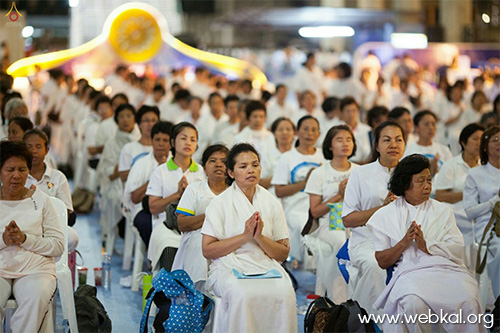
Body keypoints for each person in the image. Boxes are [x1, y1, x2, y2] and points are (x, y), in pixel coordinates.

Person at [368, 154, 484, 333]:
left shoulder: (443, 211)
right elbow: (382, 261)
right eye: (420, 181)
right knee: (413, 302)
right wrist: (404, 242)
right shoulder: (385, 215)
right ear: (405, 183)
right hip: (409, 273)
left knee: (469, 297)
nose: (427, 185)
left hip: (446, 270)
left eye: (429, 180)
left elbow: (459, 251)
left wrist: (427, 245)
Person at [201, 143, 297, 332]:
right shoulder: (219, 203)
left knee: (285, 292)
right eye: (243, 167)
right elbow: (208, 250)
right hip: (228, 265)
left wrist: (259, 237)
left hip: (266, 264)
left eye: (255, 165)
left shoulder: (271, 202)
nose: (250, 170)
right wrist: (245, 236)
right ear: (231, 173)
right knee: (243, 294)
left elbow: (282, 253)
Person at [342, 120, 405, 315]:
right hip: (368, 240)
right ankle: (370, 321)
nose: (393, 145)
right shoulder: (360, 174)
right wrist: (382, 208)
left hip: (404, 239)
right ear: (376, 145)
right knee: (374, 265)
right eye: (387, 140)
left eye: (398, 140)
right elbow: (348, 220)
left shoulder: (411, 174)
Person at [0, 140, 64, 332]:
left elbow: (58, 245)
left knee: (35, 298)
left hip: (35, 270)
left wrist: (25, 239)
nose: (16, 176)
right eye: (10, 169)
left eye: (22, 169)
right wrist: (4, 240)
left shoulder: (41, 200)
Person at [304, 125, 359, 303]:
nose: (345, 144)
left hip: (357, 222)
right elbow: (315, 211)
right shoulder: (319, 173)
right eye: (339, 140)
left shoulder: (360, 171)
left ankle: (362, 296)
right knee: (344, 244)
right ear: (329, 146)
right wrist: (339, 196)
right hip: (330, 224)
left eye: (349, 139)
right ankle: (341, 300)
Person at [146, 122, 206, 272]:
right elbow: (153, 208)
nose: (188, 143)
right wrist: (177, 195)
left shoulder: (201, 172)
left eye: (193, 139)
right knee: (169, 246)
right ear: (173, 142)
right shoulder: (161, 171)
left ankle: (197, 291)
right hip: (165, 224)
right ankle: (169, 292)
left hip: (195, 224)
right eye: (183, 138)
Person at [172, 144, 229, 290]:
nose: (218, 165)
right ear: (204, 168)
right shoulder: (194, 189)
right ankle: (199, 295)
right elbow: (182, 224)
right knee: (201, 243)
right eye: (212, 161)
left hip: (228, 239)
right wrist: (211, 215)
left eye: (224, 161)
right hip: (198, 238)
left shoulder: (236, 192)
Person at [272, 115, 324, 261]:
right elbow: (279, 191)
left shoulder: (324, 157)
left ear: (319, 134)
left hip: (322, 207)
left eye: (314, 130)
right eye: (305, 129)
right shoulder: (287, 157)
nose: (309, 133)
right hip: (296, 208)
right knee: (304, 226)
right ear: (297, 132)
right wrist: (306, 182)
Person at [23, 129, 80, 252]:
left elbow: (66, 211)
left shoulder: (57, 177)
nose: (33, 151)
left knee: (72, 237)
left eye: (38, 147)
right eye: (29, 147)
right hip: (24, 227)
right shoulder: (19, 176)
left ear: (47, 150)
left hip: (52, 227)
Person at [96, 103, 140, 251]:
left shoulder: (141, 139)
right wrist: (122, 168)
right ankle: (113, 235)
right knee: (115, 197)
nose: (125, 120)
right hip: (116, 183)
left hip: (140, 184)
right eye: (121, 117)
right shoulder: (112, 142)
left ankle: (140, 243)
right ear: (116, 120)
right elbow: (107, 170)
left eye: (129, 116)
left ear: (135, 118)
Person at [464, 125, 500, 299]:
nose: (499, 143)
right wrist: (495, 200)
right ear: (485, 147)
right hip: (489, 229)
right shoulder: (475, 174)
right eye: (495, 140)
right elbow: (470, 212)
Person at [123, 121, 173, 247]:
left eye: (165, 140)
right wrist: (155, 175)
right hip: (143, 209)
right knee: (147, 224)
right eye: (157, 139)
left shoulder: (178, 164)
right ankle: (155, 261)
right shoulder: (141, 163)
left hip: (172, 209)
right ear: (152, 141)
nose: (161, 144)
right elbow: (134, 198)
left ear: (172, 143)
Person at [435, 124, 484, 249]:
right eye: (475, 139)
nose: (479, 143)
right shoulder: (451, 165)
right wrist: (469, 193)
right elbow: (439, 196)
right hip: (457, 217)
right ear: (463, 142)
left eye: (482, 139)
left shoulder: (486, 167)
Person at [404, 110, 452, 177]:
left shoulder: (444, 150)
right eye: (426, 124)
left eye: (433, 124)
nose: (431, 127)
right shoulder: (409, 150)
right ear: (416, 128)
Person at [118, 105, 159, 182]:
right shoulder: (129, 148)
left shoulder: (163, 148)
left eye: (154, 121)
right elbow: (123, 177)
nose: (150, 124)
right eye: (146, 121)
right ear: (139, 124)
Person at [338, 97, 371, 164]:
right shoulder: (337, 130)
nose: (351, 114)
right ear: (341, 113)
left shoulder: (367, 130)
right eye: (348, 111)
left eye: (354, 110)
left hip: (365, 164)